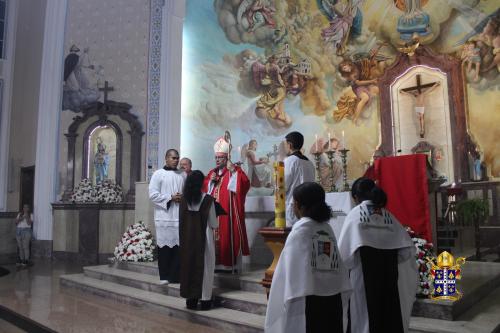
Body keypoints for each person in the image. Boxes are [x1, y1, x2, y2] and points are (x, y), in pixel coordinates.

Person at [265, 182, 351, 333]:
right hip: (332, 298)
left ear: (298, 205)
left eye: (293, 203)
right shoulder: (326, 228)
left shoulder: (300, 232)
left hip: (308, 300)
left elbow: (286, 274)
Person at [338, 178, 418, 333]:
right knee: (388, 315)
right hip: (389, 277)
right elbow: (407, 250)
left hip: (363, 277)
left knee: (365, 319)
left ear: (355, 197)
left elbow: (344, 255)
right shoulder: (387, 215)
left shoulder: (356, 215)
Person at [202, 135, 250, 272]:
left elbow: (245, 184)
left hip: (228, 213)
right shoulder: (212, 173)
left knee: (228, 235)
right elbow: (204, 189)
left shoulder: (234, 171)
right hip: (213, 214)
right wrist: (210, 182)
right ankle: (215, 265)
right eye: (216, 158)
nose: (217, 160)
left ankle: (230, 266)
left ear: (227, 158)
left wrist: (234, 171)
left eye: (220, 157)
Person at [179, 170, 218, 311]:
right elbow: (214, 223)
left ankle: (191, 300)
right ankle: (206, 301)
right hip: (205, 239)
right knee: (206, 269)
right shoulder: (208, 200)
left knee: (189, 267)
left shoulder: (183, 199)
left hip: (188, 240)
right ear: (201, 183)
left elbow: (182, 221)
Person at [149, 149, 185, 284]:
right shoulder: (158, 174)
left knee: (178, 248)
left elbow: (187, 192)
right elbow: (152, 194)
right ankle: (164, 276)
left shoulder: (183, 175)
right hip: (164, 216)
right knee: (164, 248)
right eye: (173, 158)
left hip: (179, 216)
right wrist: (170, 198)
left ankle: (175, 276)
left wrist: (183, 198)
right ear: (166, 158)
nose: (176, 160)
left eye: (177, 158)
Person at [283, 132, 315, 227]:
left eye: (285, 144)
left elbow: (283, 185)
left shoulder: (289, 161)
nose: (284, 147)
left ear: (290, 145)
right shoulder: (309, 163)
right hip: (308, 207)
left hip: (294, 208)